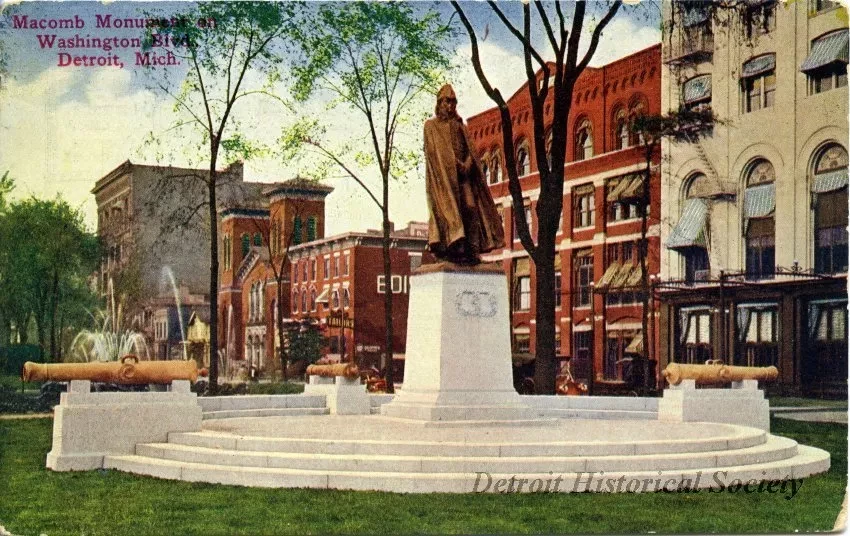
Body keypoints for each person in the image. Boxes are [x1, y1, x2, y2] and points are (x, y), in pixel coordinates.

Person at [423, 84, 505, 264]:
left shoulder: (460, 125)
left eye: (453, 102)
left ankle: (472, 250)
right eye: (447, 102)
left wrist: (467, 164)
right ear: (439, 103)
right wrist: (452, 164)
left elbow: (470, 150)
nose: (450, 106)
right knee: (450, 211)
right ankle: (450, 249)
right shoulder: (431, 126)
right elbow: (434, 155)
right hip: (444, 180)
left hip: (464, 176)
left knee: (471, 207)